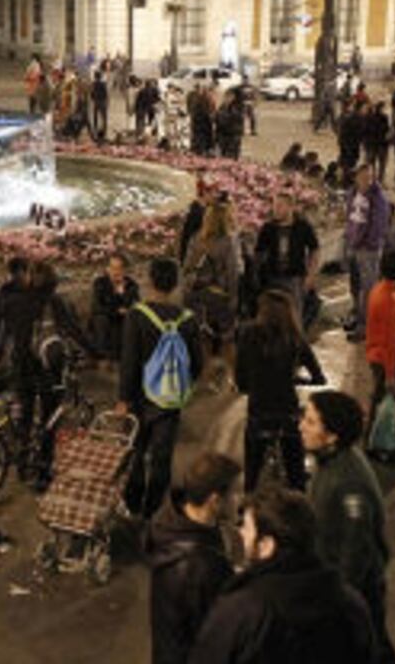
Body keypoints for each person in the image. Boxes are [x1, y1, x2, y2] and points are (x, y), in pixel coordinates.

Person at [193, 487, 375, 662]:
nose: (241, 533)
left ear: (266, 545)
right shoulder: (350, 603)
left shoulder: (242, 612)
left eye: (246, 527)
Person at [300, 390, 395, 663]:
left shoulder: (347, 483)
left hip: (355, 593)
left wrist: (337, 605)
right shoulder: (329, 461)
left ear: (332, 435)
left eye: (310, 422)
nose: (301, 427)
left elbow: (355, 554)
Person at [0, 260, 97, 484]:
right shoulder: (53, 301)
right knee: (49, 417)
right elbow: (74, 331)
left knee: (25, 415)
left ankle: (22, 465)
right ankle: (42, 473)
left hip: (21, 366)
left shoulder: (11, 300)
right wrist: (96, 354)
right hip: (47, 369)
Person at [117, 258, 203, 518]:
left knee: (135, 452)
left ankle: (132, 506)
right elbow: (197, 364)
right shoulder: (188, 320)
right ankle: (152, 511)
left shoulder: (137, 315)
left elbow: (129, 362)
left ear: (150, 281)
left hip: (140, 399)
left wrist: (124, 398)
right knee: (162, 457)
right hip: (169, 400)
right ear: (175, 284)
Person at [143, 452, 240, 664]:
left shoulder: (170, 524)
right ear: (214, 500)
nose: (238, 499)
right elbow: (215, 633)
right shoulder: (199, 566)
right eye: (234, 493)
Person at [236, 289, 325, 492]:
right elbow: (319, 376)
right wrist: (300, 380)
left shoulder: (247, 333)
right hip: (287, 411)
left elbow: (241, 381)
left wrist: (251, 385)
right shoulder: (294, 337)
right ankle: (299, 498)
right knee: (296, 472)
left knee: (252, 469)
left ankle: (247, 501)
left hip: (259, 411)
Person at [182, 198, 240, 387]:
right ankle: (233, 377)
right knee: (227, 339)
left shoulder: (196, 239)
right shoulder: (228, 242)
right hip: (220, 297)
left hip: (197, 296)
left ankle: (206, 379)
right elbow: (233, 273)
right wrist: (234, 298)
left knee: (203, 338)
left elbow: (186, 269)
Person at [254, 192, 321, 313]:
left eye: (280, 206)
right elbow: (259, 253)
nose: (276, 209)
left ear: (291, 207)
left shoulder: (302, 226)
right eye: (274, 205)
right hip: (272, 278)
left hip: (294, 278)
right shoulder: (268, 228)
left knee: (295, 314)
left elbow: (314, 249)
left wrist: (311, 275)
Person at [346, 164, 391, 342]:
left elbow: (380, 225)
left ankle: (365, 326)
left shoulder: (379, 198)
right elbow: (350, 216)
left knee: (368, 289)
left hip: (368, 249)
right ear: (356, 177)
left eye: (370, 177)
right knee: (355, 285)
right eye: (363, 177)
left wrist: (368, 244)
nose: (367, 180)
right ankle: (358, 316)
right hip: (354, 245)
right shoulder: (353, 193)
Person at [366, 251, 395, 414]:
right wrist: (391, 375)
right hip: (385, 361)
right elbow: (390, 341)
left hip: (379, 356)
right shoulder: (389, 300)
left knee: (380, 404)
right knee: (383, 408)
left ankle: (379, 437)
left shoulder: (379, 289)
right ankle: (376, 438)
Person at [90, 253, 140, 361]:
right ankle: (103, 356)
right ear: (107, 269)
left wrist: (122, 293)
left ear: (125, 270)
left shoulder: (132, 285)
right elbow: (97, 307)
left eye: (119, 268)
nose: (115, 272)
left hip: (125, 320)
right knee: (101, 319)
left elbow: (136, 306)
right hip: (106, 319)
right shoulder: (100, 283)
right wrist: (117, 310)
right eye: (112, 268)